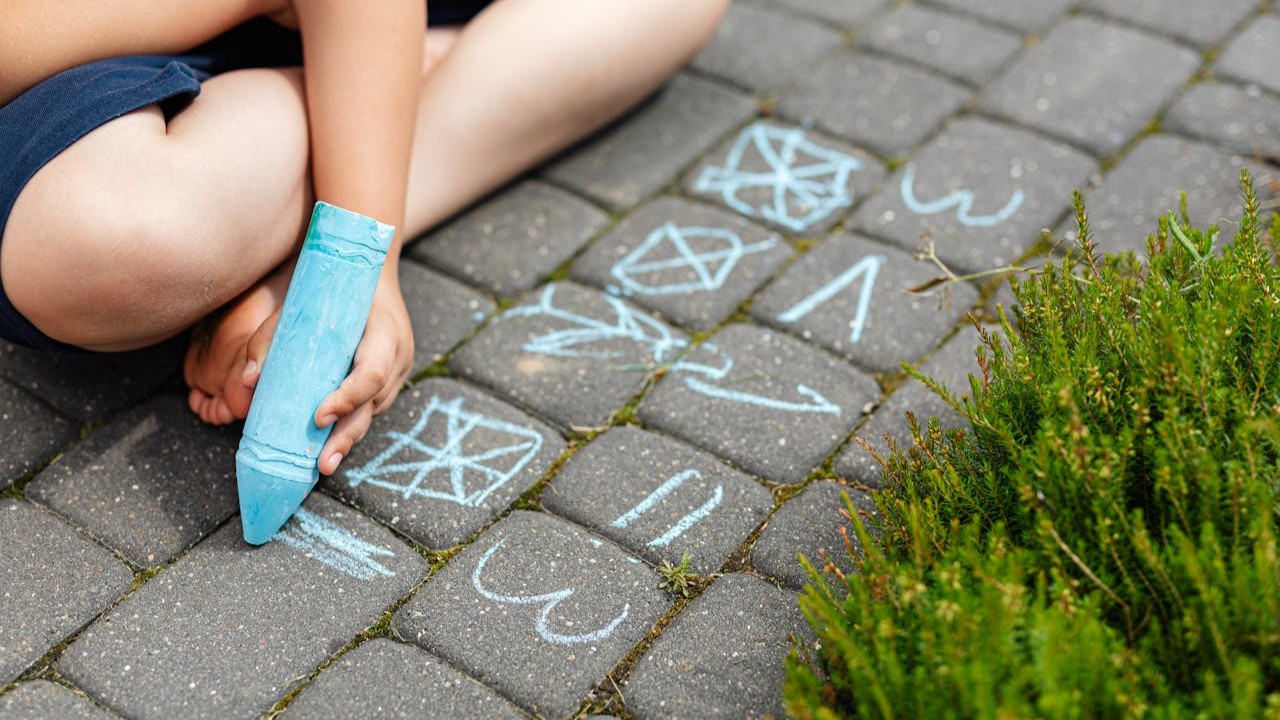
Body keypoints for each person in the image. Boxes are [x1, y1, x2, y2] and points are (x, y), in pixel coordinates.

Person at [0, 0, 730, 474]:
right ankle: (418, 82)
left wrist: (355, 264)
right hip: (93, 88)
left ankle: (366, 163)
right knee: (104, 241)